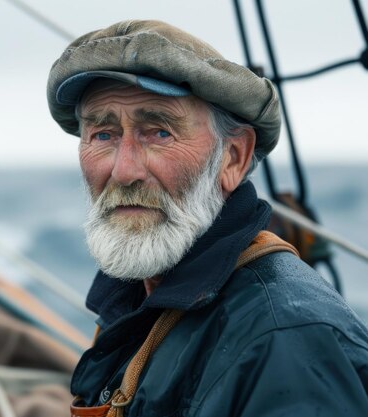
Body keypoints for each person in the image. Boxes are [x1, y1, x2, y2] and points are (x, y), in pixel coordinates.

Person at [46, 20, 368, 416]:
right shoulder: (139, 301)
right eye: (103, 135)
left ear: (233, 158)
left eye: (159, 132)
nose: (124, 170)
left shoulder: (284, 341)